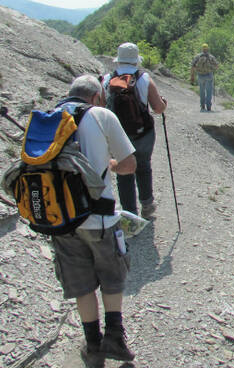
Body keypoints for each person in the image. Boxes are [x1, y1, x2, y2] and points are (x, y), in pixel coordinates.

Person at [54, 75, 137, 366]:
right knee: (111, 276)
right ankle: (114, 335)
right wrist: (110, 165)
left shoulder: (49, 117)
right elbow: (129, 164)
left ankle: (92, 345)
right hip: (100, 218)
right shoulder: (101, 115)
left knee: (82, 285)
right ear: (95, 97)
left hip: (61, 220)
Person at [102, 42, 167, 218]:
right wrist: (163, 103)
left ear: (118, 59)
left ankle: (129, 213)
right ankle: (147, 205)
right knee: (143, 166)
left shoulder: (107, 80)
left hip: (116, 135)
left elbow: (100, 109)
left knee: (124, 172)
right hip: (142, 133)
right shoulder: (144, 79)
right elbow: (158, 108)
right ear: (136, 60)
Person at [190, 43, 219, 112]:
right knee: (209, 91)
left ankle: (202, 106)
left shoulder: (197, 56)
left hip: (200, 75)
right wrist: (212, 69)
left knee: (202, 91)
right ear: (207, 48)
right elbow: (217, 66)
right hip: (209, 75)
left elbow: (192, 66)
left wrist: (192, 76)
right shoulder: (211, 57)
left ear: (202, 49)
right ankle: (209, 107)